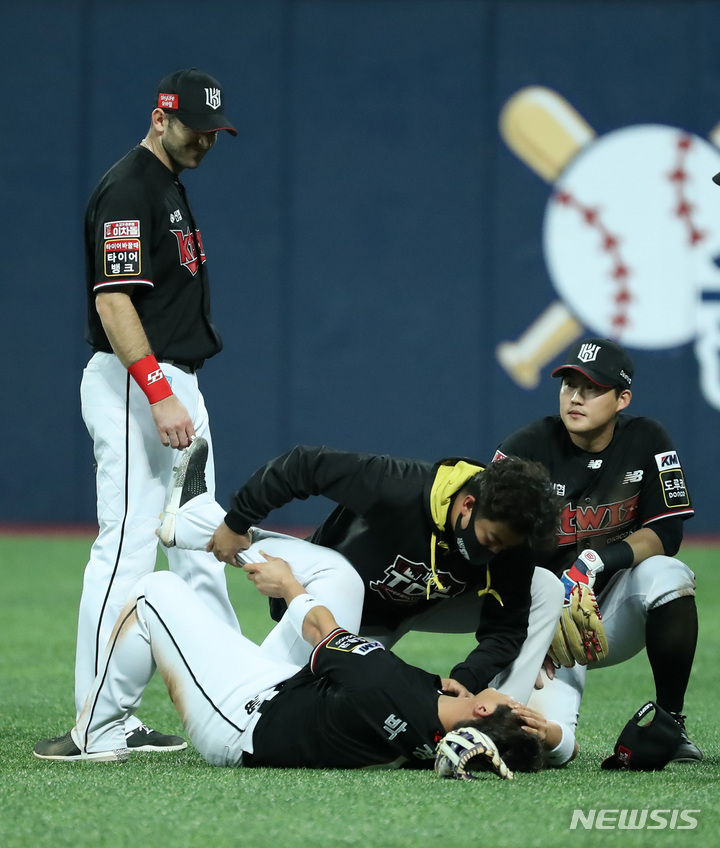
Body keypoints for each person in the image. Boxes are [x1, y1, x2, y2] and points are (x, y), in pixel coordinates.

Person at [157, 439, 570, 763]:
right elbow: (304, 465)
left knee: (545, 588)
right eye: (490, 541)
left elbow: (507, 627)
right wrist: (236, 521)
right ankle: (200, 522)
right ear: (467, 505)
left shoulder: (510, 540)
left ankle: (496, 735)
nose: (495, 554)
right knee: (329, 612)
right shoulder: (399, 487)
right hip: (337, 602)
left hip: (417, 606)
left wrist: (468, 678)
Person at [70, 68, 240, 752]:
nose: (204, 140)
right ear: (160, 115)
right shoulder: (131, 188)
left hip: (170, 384)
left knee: (196, 540)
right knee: (128, 548)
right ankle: (97, 722)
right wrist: (158, 390)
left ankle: (234, 696)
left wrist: (174, 391)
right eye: (195, 127)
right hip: (137, 385)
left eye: (214, 132)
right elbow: (114, 302)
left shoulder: (166, 182)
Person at [34, 555, 558, 772]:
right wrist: (549, 735)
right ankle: (208, 532)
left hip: (241, 720)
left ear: (484, 713)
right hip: (292, 699)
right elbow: (438, 694)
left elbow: (322, 631)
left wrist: (288, 586)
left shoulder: (382, 682)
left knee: (153, 590)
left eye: (510, 703)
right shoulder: (435, 735)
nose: (512, 696)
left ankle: (97, 734)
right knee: (340, 578)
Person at [494, 337, 701, 764]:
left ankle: (670, 722)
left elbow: (667, 529)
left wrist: (593, 561)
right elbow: (490, 543)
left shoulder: (646, 439)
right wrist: (527, 625)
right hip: (545, 624)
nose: (576, 397)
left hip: (611, 611)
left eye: (592, 388)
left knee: (669, 574)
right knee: (541, 748)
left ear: (622, 398)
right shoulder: (526, 447)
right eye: (569, 384)